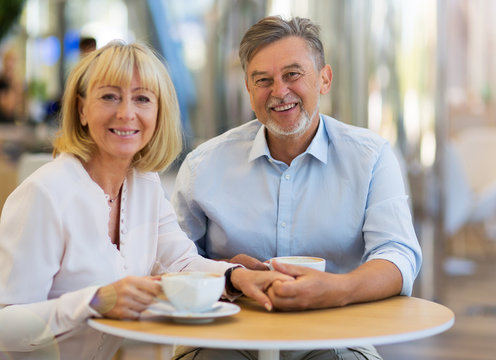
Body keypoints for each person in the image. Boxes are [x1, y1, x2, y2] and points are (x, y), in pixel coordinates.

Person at [0, 40, 292, 360]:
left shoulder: (144, 183)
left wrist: (236, 277)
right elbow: (6, 326)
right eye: (109, 96)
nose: (126, 113)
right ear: (82, 109)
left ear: (158, 112)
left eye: (142, 99)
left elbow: (180, 261)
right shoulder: (45, 194)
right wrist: (95, 301)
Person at [171, 16, 422, 360]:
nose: (279, 91)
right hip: (224, 334)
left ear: (324, 79)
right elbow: (169, 261)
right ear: (248, 88)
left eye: (292, 74)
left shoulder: (371, 158)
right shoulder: (204, 164)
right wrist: (230, 273)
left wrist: (336, 289)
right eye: (263, 80)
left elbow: (398, 255)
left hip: (334, 334)